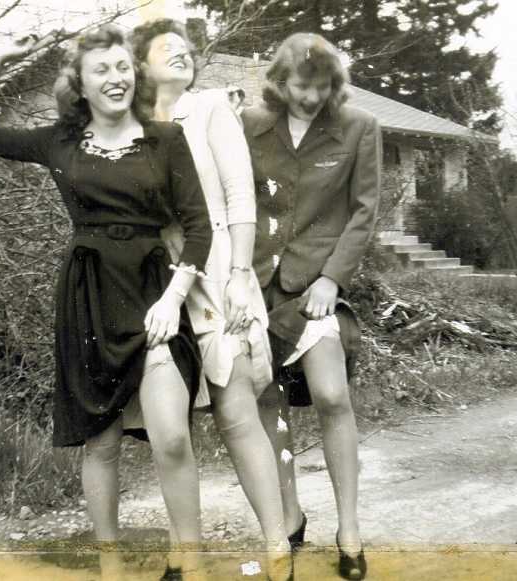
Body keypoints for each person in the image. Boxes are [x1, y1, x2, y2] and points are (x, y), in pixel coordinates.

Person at [0, 25, 213, 580]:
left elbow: (199, 227)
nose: (115, 78)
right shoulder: (59, 141)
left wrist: (173, 298)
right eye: (101, 70)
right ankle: (111, 566)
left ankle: (191, 565)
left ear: (135, 75)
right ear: (80, 84)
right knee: (101, 444)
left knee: (172, 435)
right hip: (89, 297)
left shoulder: (166, 139)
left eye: (123, 67)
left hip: (155, 294)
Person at [130, 19, 293, 581]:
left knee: (235, 409)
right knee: (170, 422)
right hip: (157, 277)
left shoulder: (211, 110)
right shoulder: (127, 123)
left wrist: (242, 275)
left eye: (186, 49)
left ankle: (277, 549)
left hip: (220, 267)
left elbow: (240, 196)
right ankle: (186, 556)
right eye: (167, 49)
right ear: (141, 64)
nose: (182, 54)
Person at [242, 33, 381, 580]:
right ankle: (291, 515)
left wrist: (331, 279)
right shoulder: (250, 124)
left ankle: (350, 528)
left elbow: (364, 212)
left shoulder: (359, 126)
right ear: (280, 81)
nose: (311, 96)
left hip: (317, 288)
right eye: (301, 85)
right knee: (267, 400)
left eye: (322, 86)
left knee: (331, 394)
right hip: (257, 283)